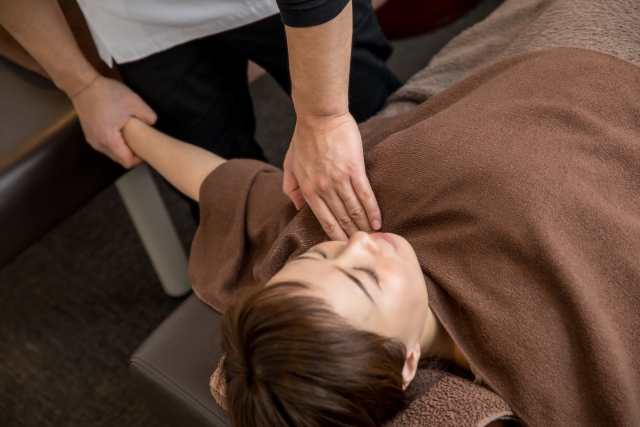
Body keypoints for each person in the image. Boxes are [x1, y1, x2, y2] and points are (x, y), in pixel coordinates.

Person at [117, 41, 640, 426]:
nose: (359, 241)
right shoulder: (542, 369)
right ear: (408, 362)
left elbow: (217, 182)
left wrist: (123, 126)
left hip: (533, 56)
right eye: (366, 278)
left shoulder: (309, 240)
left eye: (321, 259)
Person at [0, 0, 400, 235]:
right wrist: (82, 86)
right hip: (136, 21)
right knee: (230, 215)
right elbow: (218, 186)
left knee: (383, 149)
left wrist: (324, 118)